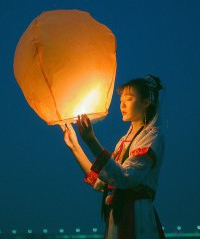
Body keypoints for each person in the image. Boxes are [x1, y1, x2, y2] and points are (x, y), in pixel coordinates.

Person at [60, 75, 166, 239]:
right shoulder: (123, 142)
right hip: (117, 219)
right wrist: (75, 146)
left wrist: (91, 140)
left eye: (129, 99)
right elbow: (100, 181)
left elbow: (125, 178)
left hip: (138, 219)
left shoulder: (152, 137)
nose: (122, 104)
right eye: (121, 100)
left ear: (146, 102)